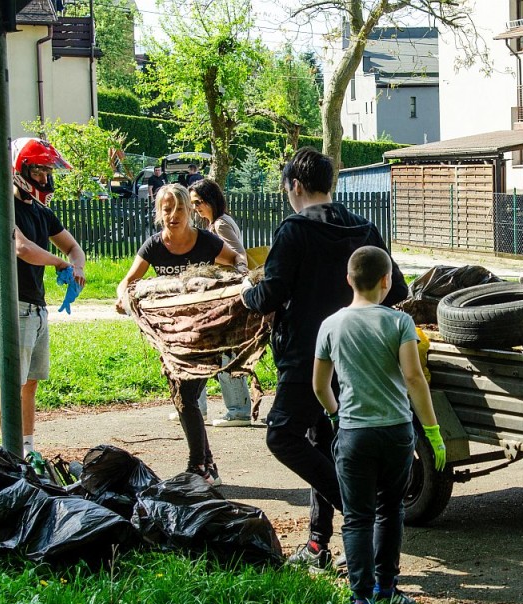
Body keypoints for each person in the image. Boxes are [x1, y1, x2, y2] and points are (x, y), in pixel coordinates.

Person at [241, 147, 408, 570]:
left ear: (295, 186)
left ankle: (354, 506)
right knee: (323, 440)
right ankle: (318, 544)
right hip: (359, 358)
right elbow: (400, 289)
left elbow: (270, 296)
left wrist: (245, 292)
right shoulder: (365, 227)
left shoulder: (293, 230)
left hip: (307, 355)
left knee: (282, 435)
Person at [313, 245, 445, 604]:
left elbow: (320, 386)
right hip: (397, 433)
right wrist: (432, 432)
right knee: (391, 511)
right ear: (386, 281)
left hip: (355, 434)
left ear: (349, 280)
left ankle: (361, 598)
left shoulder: (331, 324)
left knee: (357, 517)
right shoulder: (399, 322)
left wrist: (336, 414)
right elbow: (414, 379)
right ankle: (388, 587)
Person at [116, 183, 245, 485]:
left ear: (190, 211)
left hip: (204, 334)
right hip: (171, 336)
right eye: (166, 209)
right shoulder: (154, 246)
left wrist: (237, 280)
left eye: (179, 208)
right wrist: (123, 299)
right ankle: (207, 465)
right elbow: (126, 282)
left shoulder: (207, 241)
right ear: (159, 213)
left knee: (186, 395)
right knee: (182, 398)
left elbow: (237, 259)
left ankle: (196, 465)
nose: (173, 215)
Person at [0, 137, 87, 458]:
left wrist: (77, 264)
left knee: (29, 385)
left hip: (37, 309)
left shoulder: (41, 211)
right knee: (12, 386)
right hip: (12, 307)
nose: (43, 178)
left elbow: (72, 246)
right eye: (38, 171)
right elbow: (22, 248)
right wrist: (59, 262)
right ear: (19, 171)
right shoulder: (1, 209)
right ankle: (10, 456)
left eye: (46, 172)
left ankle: (27, 451)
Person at [164, 177, 251, 427]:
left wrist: (209, 270)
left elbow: (239, 258)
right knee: (199, 349)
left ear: (211, 200)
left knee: (222, 352)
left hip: (222, 297)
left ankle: (238, 411)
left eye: (198, 202)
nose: (195, 209)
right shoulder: (217, 223)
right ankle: (195, 407)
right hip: (214, 297)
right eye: (192, 204)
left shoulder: (220, 225)